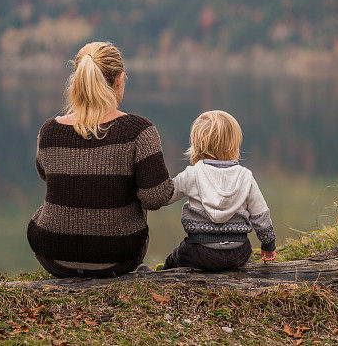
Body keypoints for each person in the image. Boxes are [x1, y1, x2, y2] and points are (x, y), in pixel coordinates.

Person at [27, 41, 174, 278]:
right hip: (117, 260)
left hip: (54, 257)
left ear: (79, 80)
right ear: (119, 80)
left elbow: (45, 174)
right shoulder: (140, 130)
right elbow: (155, 197)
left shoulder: (49, 130)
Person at [162, 110, 277, 271]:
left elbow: (165, 196)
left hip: (200, 251)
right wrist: (268, 244)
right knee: (241, 249)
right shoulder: (245, 176)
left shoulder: (193, 173)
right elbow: (261, 215)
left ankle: (162, 276)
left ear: (197, 144)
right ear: (234, 144)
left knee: (175, 257)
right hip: (239, 252)